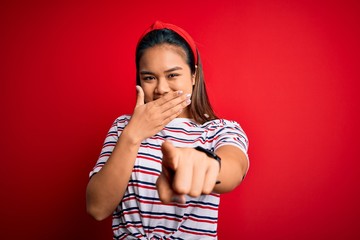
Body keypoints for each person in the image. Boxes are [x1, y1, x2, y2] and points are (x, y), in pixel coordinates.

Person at [86, 21, 249, 239]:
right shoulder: (123, 128)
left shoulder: (219, 130)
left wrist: (207, 164)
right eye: (149, 78)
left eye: (172, 75)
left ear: (193, 76)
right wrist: (133, 135)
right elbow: (97, 208)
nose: (161, 89)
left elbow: (234, 170)